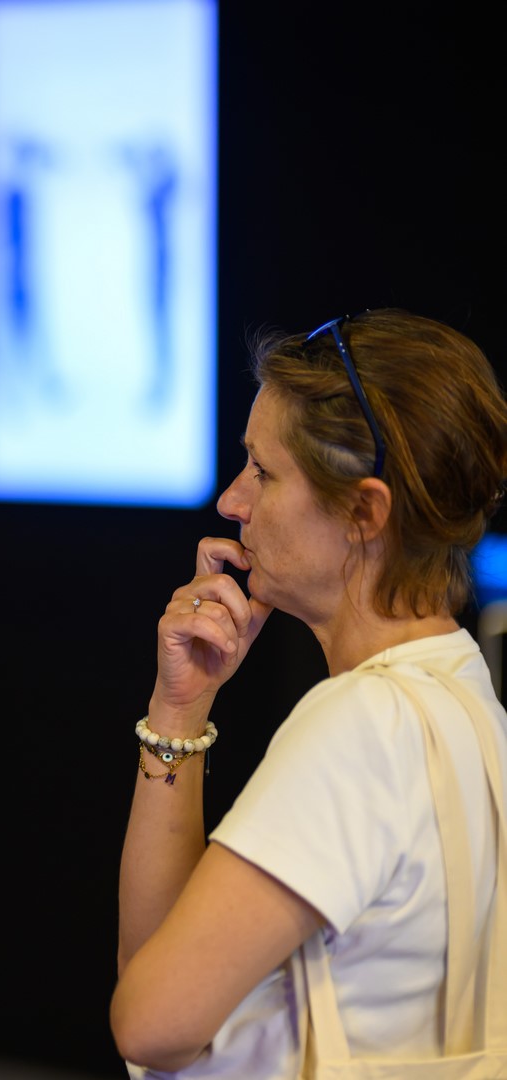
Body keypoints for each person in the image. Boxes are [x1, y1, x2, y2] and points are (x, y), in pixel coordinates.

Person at [111, 308, 507, 1077]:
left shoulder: (363, 725)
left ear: (364, 512)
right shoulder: (469, 699)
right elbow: (163, 975)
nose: (232, 501)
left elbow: (147, 1023)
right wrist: (180, 710)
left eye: (263, 471)